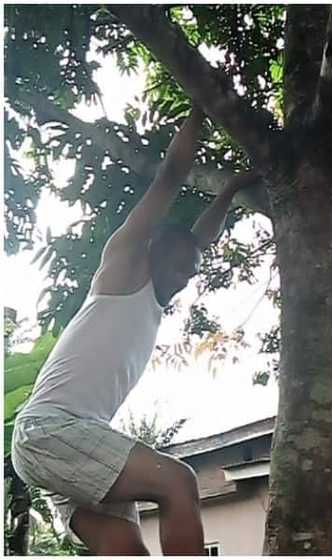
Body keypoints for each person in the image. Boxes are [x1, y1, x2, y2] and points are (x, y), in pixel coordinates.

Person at [10, 107, 259, 555]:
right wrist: (201, 111)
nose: (185, 278)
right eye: (182, 265)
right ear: (155, 249)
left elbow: (201, 239)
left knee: (128, 549)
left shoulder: (158, 293)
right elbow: (169, 178)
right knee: (180, 483)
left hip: (68, 444)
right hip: (52, 429)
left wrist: (233, 190)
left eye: (192, 272)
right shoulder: (123, 269)